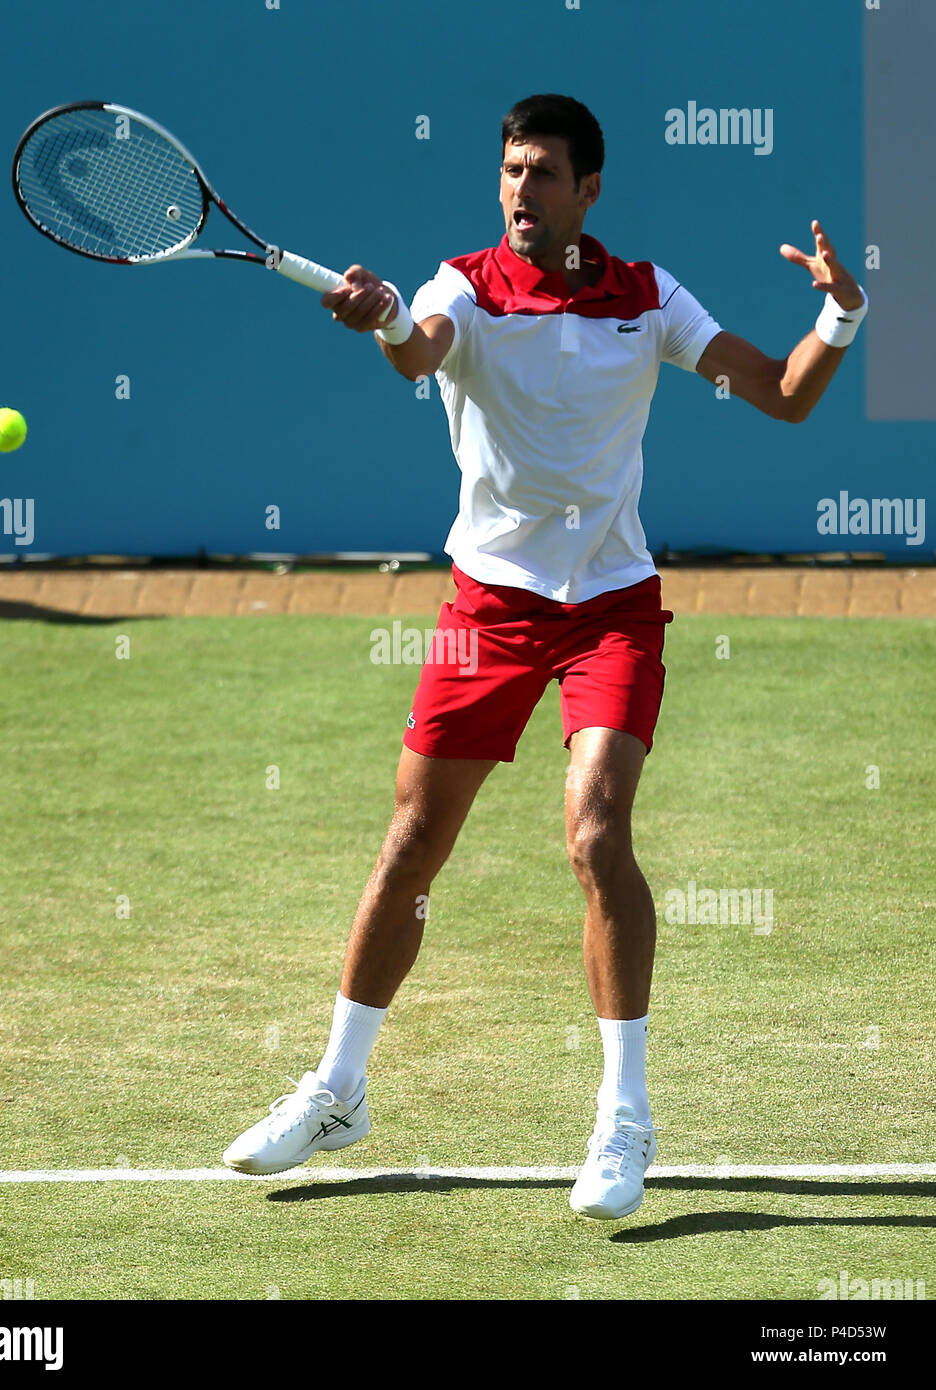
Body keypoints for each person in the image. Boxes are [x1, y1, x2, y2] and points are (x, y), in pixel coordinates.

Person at [223, 93, 868, 1218]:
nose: (522, 191)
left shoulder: (648, 298)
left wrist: (842, 320)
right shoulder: (463, 287)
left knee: (596, 832)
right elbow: (416, 352)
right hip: (488, 608)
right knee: (414, 841)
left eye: (544, 174)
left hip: (611, 606)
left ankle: (625, 1117)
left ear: (589, 191)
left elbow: (780, 395)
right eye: (511, 171)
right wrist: (377, 318)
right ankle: (337, 1089)